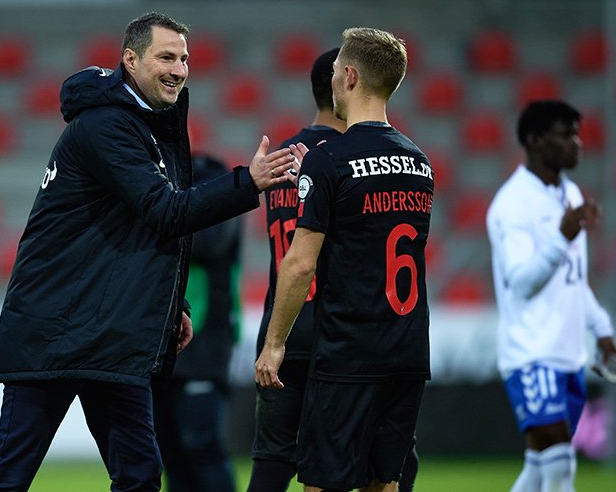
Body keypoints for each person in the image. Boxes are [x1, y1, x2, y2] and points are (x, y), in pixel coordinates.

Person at [0, 12, 294, 492]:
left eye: (184, 59)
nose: (179, 69)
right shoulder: (106, 127)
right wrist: (248, 182)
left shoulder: (143, 127)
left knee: (139, 476)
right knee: (9, 474)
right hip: (56, 331)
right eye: (166, 57)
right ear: (131, 60)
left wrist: (174, 306)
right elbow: (165, 211)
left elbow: (134, 234)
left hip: (107, 336)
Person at [255, 27, 433, 492]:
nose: (332, 79)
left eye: (335, 71)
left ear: (349, 77)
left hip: (349, 352)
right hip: (409, 349)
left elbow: (300, 264)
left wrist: (274, 344)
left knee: (322, 482)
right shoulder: (419, 161)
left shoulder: (329, 159)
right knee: (386, 481)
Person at [486, 100, 616, 492]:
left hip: (569, 355)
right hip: (532, 353)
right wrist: (561, 237)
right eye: (566, 135)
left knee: (539, 469)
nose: (577, 144)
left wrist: (601, 328)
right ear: (535, 140)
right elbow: (521, 281)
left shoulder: (571, 195)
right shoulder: (511, 204)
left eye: (576, 135)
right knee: (561, 467)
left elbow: (573, 278)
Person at [247, 47, 346, 492]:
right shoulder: (354, 158)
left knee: (272, 462)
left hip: (282, 327)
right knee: (374, 462)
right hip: (338, 332)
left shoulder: (281, 158)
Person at [152, 152, 241, 492]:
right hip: (161, 341)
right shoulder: (177, 182)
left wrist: (156, 219)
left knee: (201, 446)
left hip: (205, 344)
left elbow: (209, 241)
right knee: (170, 451)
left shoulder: (220, 185)